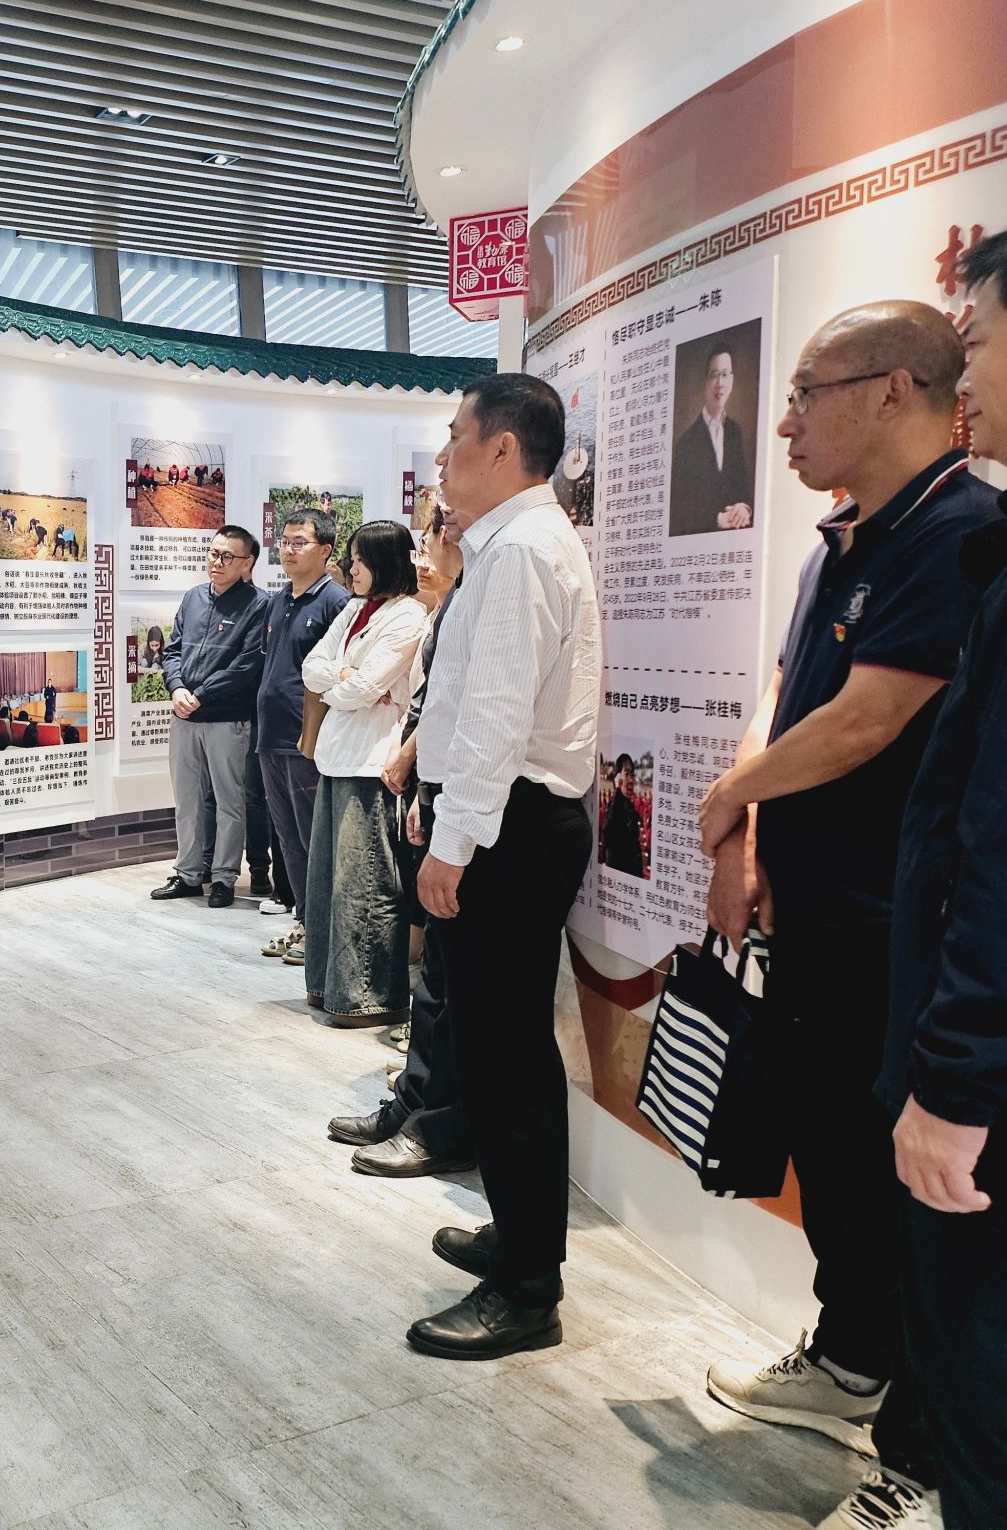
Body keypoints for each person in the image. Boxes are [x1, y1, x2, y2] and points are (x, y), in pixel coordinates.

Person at [694, 301, 997, 1529]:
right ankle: (848, 1359)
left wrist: (728, 797)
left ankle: (920, 1455)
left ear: (888, 391)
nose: (783, 423)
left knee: (908, 1203)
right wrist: (748, 831)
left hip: (894, 933)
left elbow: (869, 718)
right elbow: (788, 694)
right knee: (831, 1160)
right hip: (815, 916)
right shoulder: (838, 539)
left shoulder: (959, 533)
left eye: (804, 391)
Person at [878, 220, 1007, 1529]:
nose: (959, 373)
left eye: (975, 341)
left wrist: (955, 1082)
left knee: (995, 1422)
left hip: (1003, 1093)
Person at [405, 372, 601, 1362]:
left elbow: (495, 716)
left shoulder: (522, 549)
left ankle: (527, 1289)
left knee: (507, 1059)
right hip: (501, 821)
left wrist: (453, 842)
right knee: (495, 1052)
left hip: (508, 830)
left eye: (454, 438)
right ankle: (518, 1234)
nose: (442, 457)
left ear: (500, 449)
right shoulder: (509, 543)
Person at [330, 508, 479, 1178]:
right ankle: (414, 1105)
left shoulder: (481, 592)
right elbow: (435, 702)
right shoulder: (452, 602)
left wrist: (417, 765)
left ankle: (438, 1125)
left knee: (454, 988)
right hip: (436, 793)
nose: (423, 553)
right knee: (437, 984)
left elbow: (476, 709)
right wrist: (422, 783)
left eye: (432, 535)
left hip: (477, 811)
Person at [300, 521, 426, 1024]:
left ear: (386, 562)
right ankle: (327, 987)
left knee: (365, 884)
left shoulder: (408, 615)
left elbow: (359, 688)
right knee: (327, 883)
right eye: (350, 559)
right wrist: (347, 680)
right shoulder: (354, 609)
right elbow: (312, 667)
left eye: (359, 560)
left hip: (374, 761)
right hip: (337, 755)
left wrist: (348, 684)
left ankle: (368, 998)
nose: (350, 569)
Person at [254, 507, 353, 963]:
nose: (288, 550)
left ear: (326, 550)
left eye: (300, 542)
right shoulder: (277, 601)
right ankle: (304, 921)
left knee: (315, 840)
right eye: (285, 541)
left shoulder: (336, 602)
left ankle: (323, 930)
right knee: (288, 839)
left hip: (307, 739)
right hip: (270, 736)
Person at [153, 527, 267, 908]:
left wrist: (200, 694)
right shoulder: (193, 598)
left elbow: (245, 666)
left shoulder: (258, 605)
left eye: (227, 556)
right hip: (184, 716)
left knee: (229, 800)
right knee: (186, 799)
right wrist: (176, 688)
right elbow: (172, 651)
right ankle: (188, 874)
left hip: (226, 719)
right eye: (213, 553)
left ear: (247, 564)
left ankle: (223, 878)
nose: (217, 562)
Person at [669, 343, 756, 535]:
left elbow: (742, 488)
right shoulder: (686, 443)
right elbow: (679, 509)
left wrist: (744, 508)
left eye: (725, 374)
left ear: (732, 380)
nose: (720, 383)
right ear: (705, 382)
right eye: (714, 375)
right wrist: (717, 519)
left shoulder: (735, 432)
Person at [600, 754, 647, 877]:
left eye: (633, 775)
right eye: (627, 774)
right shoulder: (612, 807)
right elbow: (609, 836)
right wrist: (617, 791)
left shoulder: (631, 809)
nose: (631, 780)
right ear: (618, 778)